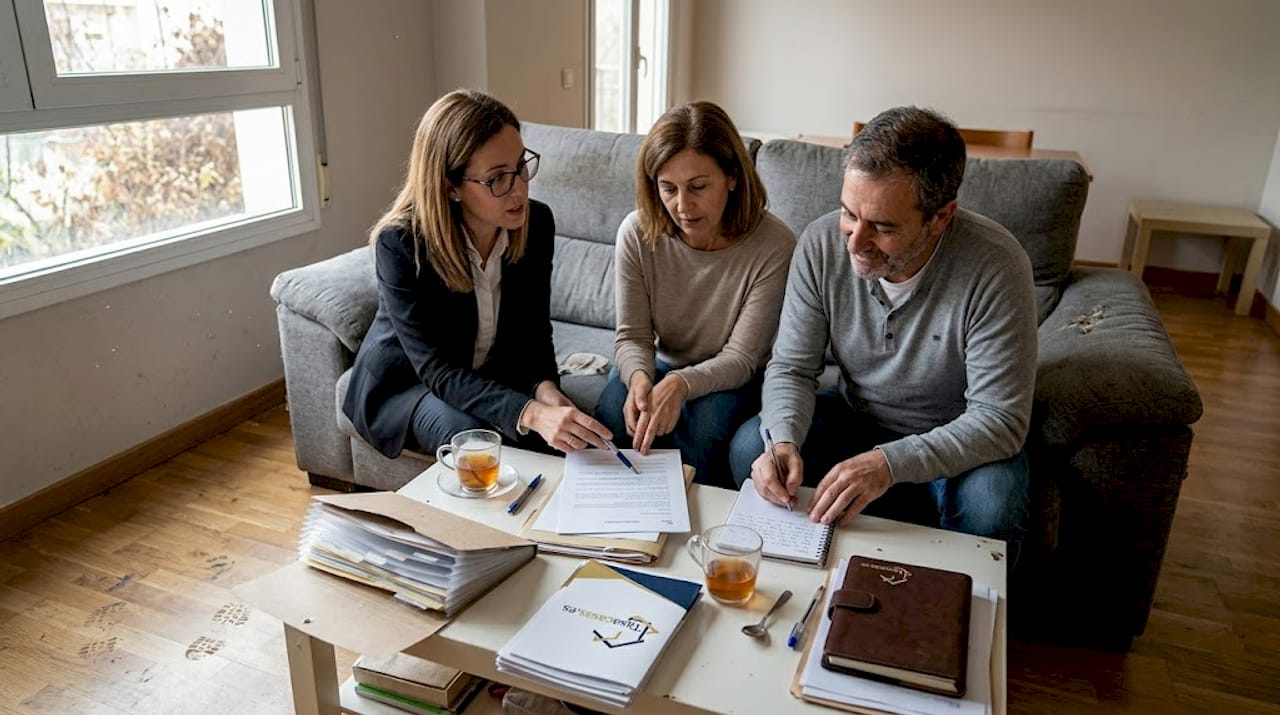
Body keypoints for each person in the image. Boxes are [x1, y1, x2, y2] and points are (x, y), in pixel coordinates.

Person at [728, 106, 1035, 563]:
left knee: (994, 504)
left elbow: (999, 420)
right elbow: (792, 366)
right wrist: (784, 439)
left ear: (941, 217)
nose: (853, 241)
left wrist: (889, 463)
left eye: (883, 227)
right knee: (753, 448)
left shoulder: (996, 266)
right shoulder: (819, 244)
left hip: (956, 436)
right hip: (856, 416)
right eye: (850, 213)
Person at [342, 89, 612, 461]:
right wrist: (530, 412)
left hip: (488, 374)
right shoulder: (402, 244)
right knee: (476, 444)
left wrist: (547, 390)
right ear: (451, 187)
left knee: (563, 445)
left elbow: (534, 331)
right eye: (497, 178)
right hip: (409, 385)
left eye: (521, 166)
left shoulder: (537, 223)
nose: (519, 187)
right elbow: (437, 370)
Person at [594, 101, 795, 487]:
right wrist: (639, 377)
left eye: (699, 187)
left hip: (733, 376)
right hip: (663, 364)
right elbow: (633, 336)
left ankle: (693, 532)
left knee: (704, 424)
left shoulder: (775, 245)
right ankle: (618, 528)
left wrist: (680, 384)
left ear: (732, 176)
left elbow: (740, 358)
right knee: (615, 409)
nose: (682, 206)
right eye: (668, 188)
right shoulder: (636, 232)